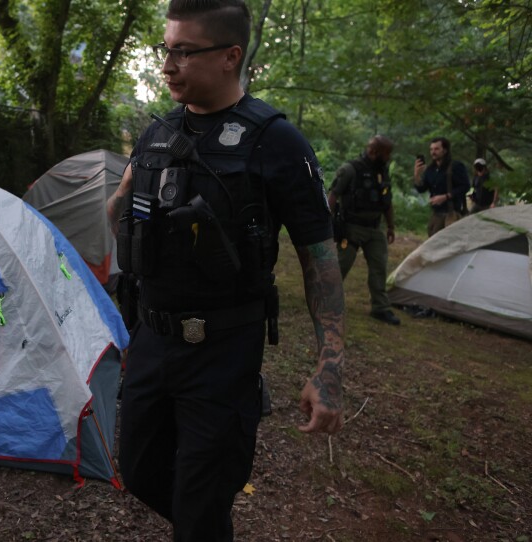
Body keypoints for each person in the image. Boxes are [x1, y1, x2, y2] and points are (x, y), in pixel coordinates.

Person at [106, 1, 345, 540]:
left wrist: (329, 370)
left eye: (183, 51)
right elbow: (118, 207)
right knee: (141, 473)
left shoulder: (277, 142)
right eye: (165, 49)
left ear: (230, 56)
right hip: (151, 341)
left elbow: (320, 261)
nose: (167, 64)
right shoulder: (157, 132)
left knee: (202, 501)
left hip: (221, 353)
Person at [327, 135, 400, 326]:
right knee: (341, 266)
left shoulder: (382, 172)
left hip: (375, 229)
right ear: (374, 151)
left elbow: (387, 201)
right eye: (387, 153)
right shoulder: (350, 169)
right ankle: (326, 301)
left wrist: (391, 226)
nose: (389, 157)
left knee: (379, 268)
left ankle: (380, 308)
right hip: (351, 228)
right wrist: (328, 223)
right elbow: (333, 195)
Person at [413, 137, 470, 237]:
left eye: (436, 149)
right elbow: (422, 189)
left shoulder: (456, 166)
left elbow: (465, 186)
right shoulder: (430, 170)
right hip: (436, 213)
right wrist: (417, 175)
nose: (433, 152)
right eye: (431, 149)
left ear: (445, 150)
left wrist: (445, 196)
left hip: (451, 214)